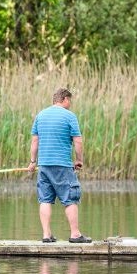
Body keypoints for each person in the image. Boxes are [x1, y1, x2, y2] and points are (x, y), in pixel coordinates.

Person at [27, 88, 91, 243]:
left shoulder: (40, 115)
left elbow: (35, 141)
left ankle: (46, 235)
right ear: (65, 99)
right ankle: (75, 234)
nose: (71, 104)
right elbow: (78, 141)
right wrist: (79, 160)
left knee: (45, 199)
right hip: (62, 164)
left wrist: (32, 162)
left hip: (44, 165)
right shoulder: (70, 116)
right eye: (70, 100)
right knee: (70, 197)